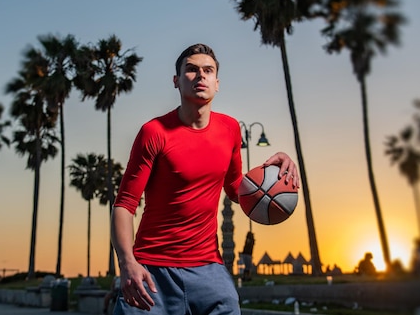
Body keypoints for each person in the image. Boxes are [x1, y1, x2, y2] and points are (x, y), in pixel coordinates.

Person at [111, 43, 299, 314]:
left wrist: (272, 178)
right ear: (176, 81)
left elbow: (236, 189)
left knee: (230, 304)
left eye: (208, 71)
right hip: (152, 269)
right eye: (191, 70)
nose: (200, 76)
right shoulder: (154, 132)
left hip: (209, 269)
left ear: (217, 83)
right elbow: (125, 204)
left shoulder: (231, 129)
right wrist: (127, 262)